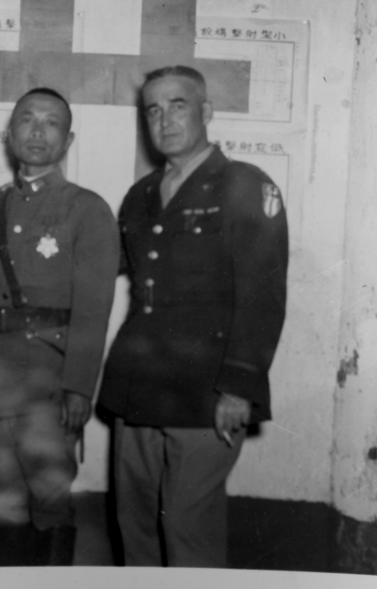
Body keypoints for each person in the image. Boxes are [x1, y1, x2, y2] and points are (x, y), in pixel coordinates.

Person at [98, 65, 289, 568]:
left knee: (187, 528)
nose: (164, 120)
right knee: (134, 525)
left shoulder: (245, 184)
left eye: (177, 105)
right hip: (137, 388)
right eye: (153, 110)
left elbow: (262, 295)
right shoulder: (139, 197)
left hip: (205, 392)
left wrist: (240, 386)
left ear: (206, 112)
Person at [0, 88, 119, 566]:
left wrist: (79, 387)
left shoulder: (87, 210)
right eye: (27, 120)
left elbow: (93, 309)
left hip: (49, 382)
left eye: (51, 123)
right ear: (9, 134)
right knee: (2, 499)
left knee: (49, 499)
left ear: (68, 140)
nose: (38, 131)